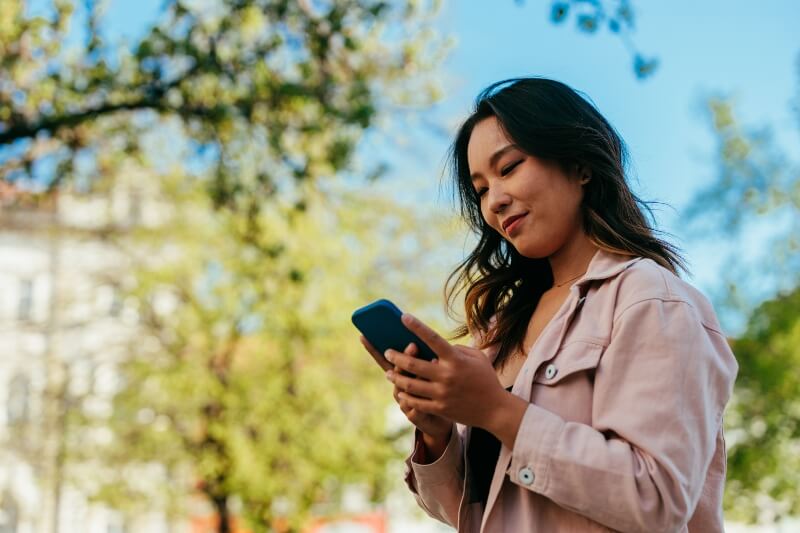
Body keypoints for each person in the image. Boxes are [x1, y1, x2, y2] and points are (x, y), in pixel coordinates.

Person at [359, 77, 738, 532]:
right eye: (480, 189)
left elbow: (655, 501)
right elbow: (476, 512)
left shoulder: (651, 300)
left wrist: (497, 411)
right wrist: (438, 431)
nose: (495, 200)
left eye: (510, 167)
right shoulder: (502, 330)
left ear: (578, 164)